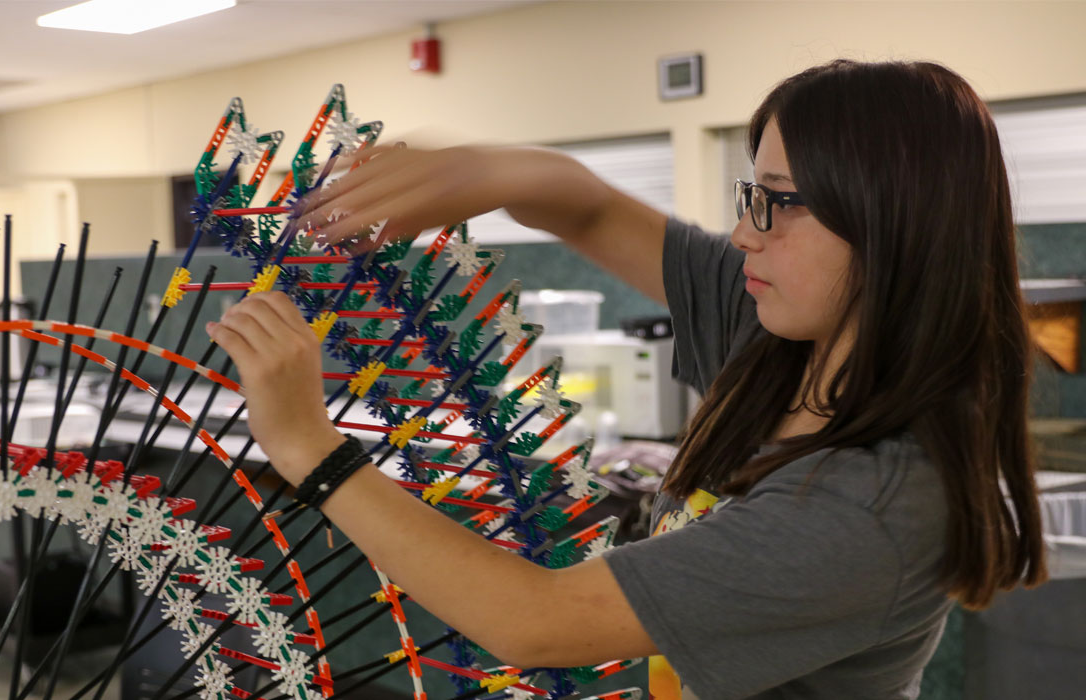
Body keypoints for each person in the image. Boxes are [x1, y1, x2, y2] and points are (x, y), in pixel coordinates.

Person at [205, 59, 1047, 699]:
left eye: (780, 202)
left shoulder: (869, 505)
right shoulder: (782, 334)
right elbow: (592, 209)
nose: (745, 235)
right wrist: (485, 173)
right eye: (752, 193)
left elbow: (533, 619)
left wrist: (310, 448)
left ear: (890, 221)